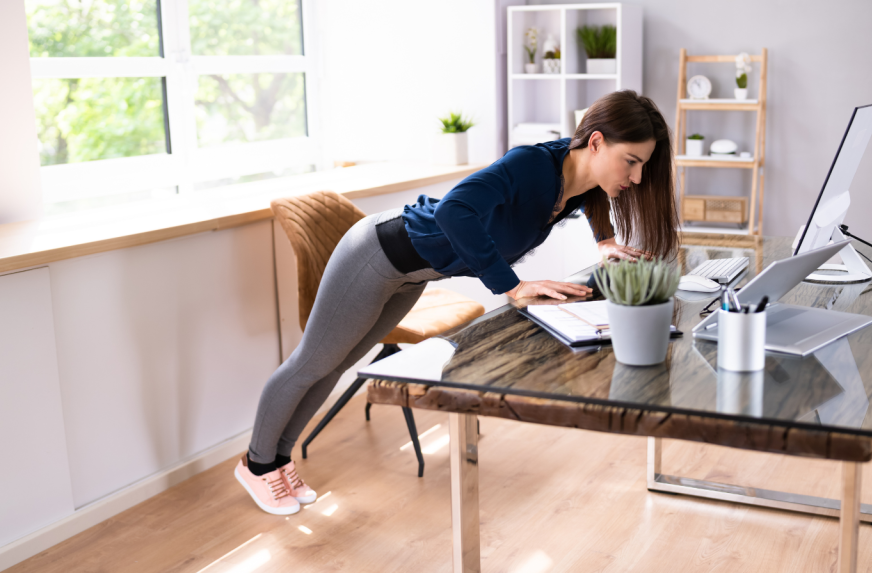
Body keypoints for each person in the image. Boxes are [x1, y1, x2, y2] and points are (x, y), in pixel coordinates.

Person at [234, 89, 680, 514]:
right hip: (374, 254)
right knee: (311, 363)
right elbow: (453, 210)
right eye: (632, 162)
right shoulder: (532, 164)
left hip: (411, 276)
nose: (637, 177)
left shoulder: (577, 181)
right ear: (597, 143)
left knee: (335, 365)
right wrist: (510, 284)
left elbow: (589, 199)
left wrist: (604, 241)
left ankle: (280, 460)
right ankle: (256, 465)